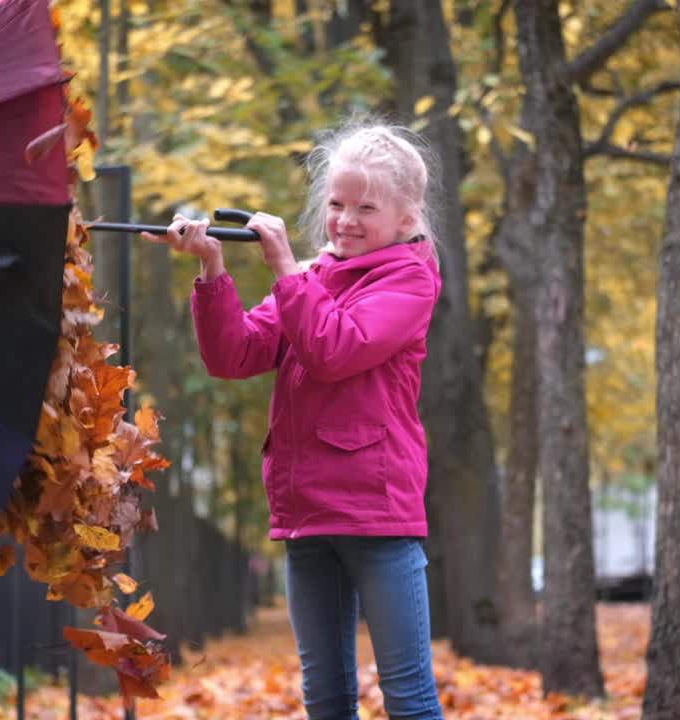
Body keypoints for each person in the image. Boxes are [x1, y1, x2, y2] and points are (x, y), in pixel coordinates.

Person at [142, 119, 445, 720]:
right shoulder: (309, 277)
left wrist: (285, 267)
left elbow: (335, 350)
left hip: (377, 514)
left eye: (366, 207)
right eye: (336, 204)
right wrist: (212, 269)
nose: (345, 220)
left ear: (406, 218)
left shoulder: (409, 280)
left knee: (408, 697)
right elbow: (234, 356)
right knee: (326, 698)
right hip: (307, 514)